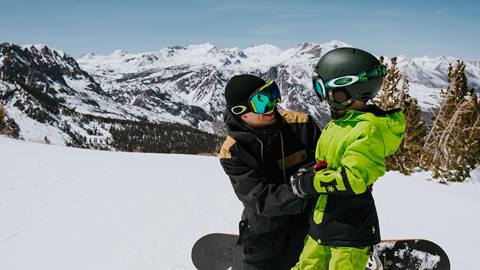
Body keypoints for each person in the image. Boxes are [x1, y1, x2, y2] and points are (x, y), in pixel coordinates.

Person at [290, 47, 406, 270]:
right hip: (323, 222)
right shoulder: (341, 122)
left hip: (349, 231)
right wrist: (312, 171)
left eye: (322, 87)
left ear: (344, 90)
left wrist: (307, 183)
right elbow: (329, 161)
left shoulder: (367, 130)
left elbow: (353, 178)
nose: (321, 96)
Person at [219, 74, 321, 270]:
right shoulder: (233, 152)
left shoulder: (301, 125)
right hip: (266, 229)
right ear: (241, 112)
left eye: (272, 95)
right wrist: (300, 187)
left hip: (310, 222)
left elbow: (326, 164)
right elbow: (260, 200)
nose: (272, 105)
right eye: (262, 101)